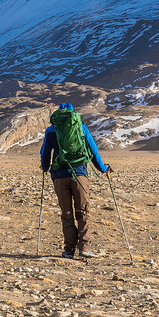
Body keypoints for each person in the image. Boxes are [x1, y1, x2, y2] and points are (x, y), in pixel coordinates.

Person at [40, 102, 112, 259]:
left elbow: (45, 152)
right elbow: (93, 151)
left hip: (59, 177)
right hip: (79, 175)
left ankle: (68, 250)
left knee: (66, 213)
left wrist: (45, 168)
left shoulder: (51, 130)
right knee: (83, 211)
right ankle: (85, 248)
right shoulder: (81, 127)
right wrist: (103, 168)